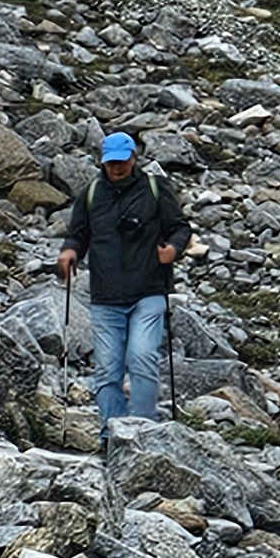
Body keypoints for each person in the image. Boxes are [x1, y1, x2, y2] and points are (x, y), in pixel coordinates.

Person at [57, 130, 188, 426]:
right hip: (106, 295)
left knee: (142, 358)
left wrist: (173, 250)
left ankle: (141, 430)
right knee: (107, 370)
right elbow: (78, 235)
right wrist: (69, 252)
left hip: (149, 291)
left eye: (122, 161)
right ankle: (111, 435)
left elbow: (180, 227)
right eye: (110, 163)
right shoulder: (92, 194)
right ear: (102, 162)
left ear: (134, 158)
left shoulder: (155, 188)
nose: (116, 168)